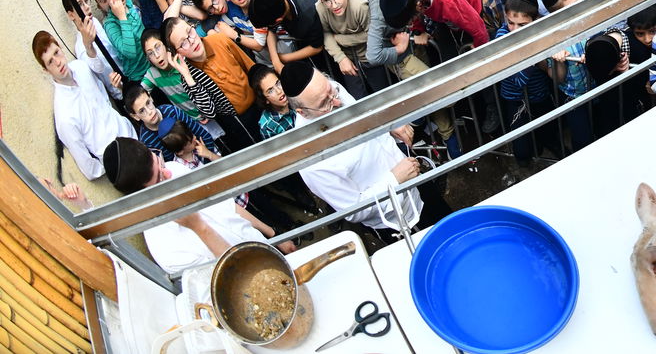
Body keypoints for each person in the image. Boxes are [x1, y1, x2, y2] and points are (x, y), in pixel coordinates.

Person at [282, 62, 451, 239]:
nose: (337, 101)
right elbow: (354, 211)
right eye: (325, 103)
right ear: (302, 112)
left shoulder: (332, 91)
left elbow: (364, 117)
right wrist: (394, 179)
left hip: (414, 179)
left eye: (331, 91)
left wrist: (388, 125)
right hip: (396, 218)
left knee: (451, 225)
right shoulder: (312, 162)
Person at [102, 137, 291, 274]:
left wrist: (273, 235)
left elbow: (229, 208)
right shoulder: (164, 248)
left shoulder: (174, 169)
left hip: (264, 245)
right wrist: (198, 227)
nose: (167, 174)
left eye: (158, 161)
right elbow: (232, 275)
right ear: (141, 197)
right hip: (255, 276)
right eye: (159, 179)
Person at [36, 31, 134, 180]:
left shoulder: (81, 67)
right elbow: (88, 167)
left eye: (56, 53)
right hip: (121, 165)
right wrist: (110, 166)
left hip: (131, 133)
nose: (57, 62)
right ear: (45, 70)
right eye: (50, 61)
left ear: (61, 47)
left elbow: (102, 94)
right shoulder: (64, 114)